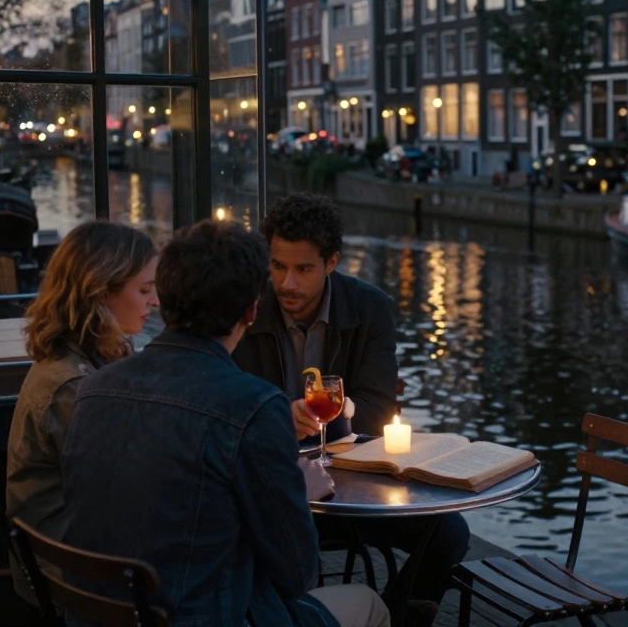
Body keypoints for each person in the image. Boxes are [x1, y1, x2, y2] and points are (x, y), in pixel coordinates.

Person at [62, 220, 388, 627]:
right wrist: (298, 491)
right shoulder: (253, 407)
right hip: (199, 618)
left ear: (165, 298)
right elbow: (298, 574)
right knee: (369, 604)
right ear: (251, 310)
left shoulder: (95, 388)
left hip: (100, 616)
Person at [233, 193, 469, 627]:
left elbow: (378, 407)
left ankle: (395, 618)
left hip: (348, 486)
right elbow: (227, 404)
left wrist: (335, 414)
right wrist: (279, 416)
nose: (287, 283)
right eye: (278, 266)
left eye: (303, 269)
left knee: (449, 532)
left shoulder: (369, 307)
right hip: (270, 487)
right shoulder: (247, 310)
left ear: (331, 262)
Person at [5, 220, 159, 601]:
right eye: (144, 290)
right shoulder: (72, 386)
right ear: (101, 292)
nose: (155, 302)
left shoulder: (94, 352)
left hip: (76, 551)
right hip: (73, 573)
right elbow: (131, 487)